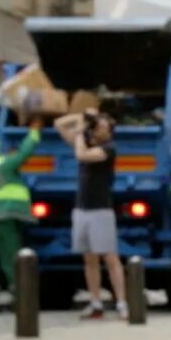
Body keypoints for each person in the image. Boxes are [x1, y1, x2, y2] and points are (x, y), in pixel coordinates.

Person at [57, 109, 128, 319]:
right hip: (82, 208)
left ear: (110, 132)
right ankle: (95, 302)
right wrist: (83, 118)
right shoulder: (86, 140)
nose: (98, 129)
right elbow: (59, 124)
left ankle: (122, 303)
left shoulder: (108, 149)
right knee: (89, 259)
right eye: (98, 125)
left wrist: (79, 134)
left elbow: (82, 156)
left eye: (103, 126)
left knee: (110, 256)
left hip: (101, 209)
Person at [0, 116, 44, 311]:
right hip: (5, 216)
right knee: (11, 258)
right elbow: (24, 153)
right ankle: (21, 299)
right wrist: (34, 132)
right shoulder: (3, 165)